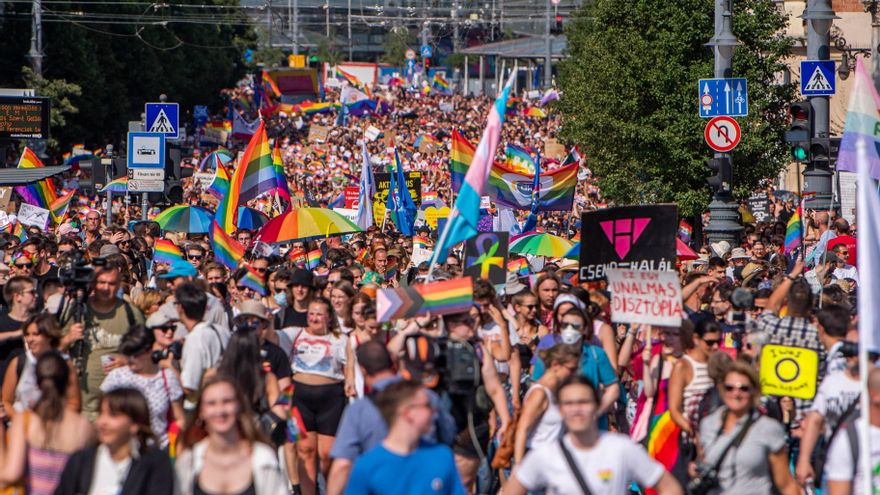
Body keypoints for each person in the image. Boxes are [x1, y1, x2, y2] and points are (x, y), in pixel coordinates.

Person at [507, 375, 683, 494]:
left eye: (583, 402)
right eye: (569, 403)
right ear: (560, 409)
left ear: (597, 405)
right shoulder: (546, 455)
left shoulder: (621, 447)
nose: (576, 409)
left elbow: (669, 487)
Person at [327, 340, 456, 495]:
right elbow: (448, 434)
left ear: (362, 370)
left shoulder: (359, 410)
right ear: (393, 362)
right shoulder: (425, 397)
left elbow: (342, 466)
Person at [696, 360, 800, 494]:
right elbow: (703, 461)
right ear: (722, 389)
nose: (736, 394)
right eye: (730, 388)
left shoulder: (768, 428)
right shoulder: (708, 424)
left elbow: (786, 484)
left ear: (754, 391)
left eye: (744, 388)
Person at [345, 380, 465, 495]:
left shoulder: (442, 456)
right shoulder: (366, 466)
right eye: (427, 405)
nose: (434, 411)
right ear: (407, 413)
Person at [0, 352, 94, 495]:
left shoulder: (25, 421)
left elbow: (10, 473)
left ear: (37, 382)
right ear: (69, 381)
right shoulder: (84, 426)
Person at [176, 376, 288, 495]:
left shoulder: (263, 459)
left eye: (227, 401)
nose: (220, 411)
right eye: (211, 403)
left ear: (239, 406)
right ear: (201, 412)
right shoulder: (189, 462)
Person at [61, 262, 145, 418]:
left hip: (120, 404)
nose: (106, 288)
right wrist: (68, 339)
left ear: (119, 285)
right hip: (83, 405)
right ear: (93, 284)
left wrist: (127, 360)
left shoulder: (130, 313)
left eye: (111, 283)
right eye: (101, 282)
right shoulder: (78, 311)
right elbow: (54, 349)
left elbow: (146, 351)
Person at [54, 387, 176, 495]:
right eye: (101, 413)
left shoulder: (155, 463)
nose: (103, 422)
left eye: (113, 415)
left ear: (134, 424)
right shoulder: (81, 460)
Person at [288, 297, 354, 495]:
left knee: (327, 455)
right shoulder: (294, 334)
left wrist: (349, 381)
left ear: (329, 317)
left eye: (319, 314)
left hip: (331, 399)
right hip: (299, 398)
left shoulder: (340, 339)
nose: (314, 318)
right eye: (311, 313)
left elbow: (348, 365)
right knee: (305, 451)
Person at [100, 325, 185, 449]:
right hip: (124, 449)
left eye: (135, 355)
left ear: (149, 350)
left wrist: (173, 447)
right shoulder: (117, 377)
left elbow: (179, 419)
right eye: (127, 355)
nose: (130, 360)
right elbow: (103, 413)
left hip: (159, 450)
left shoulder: (167, 377)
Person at [513, 344, 580, 463]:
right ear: (555, 365)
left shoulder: (556, 392)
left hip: (553, 459)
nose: (574, 374)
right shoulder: (540, 393)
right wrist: (518, 468)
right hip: (536, 458)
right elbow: (522, 429)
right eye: (571, 369)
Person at [2, 314, 80, 416]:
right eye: (27, 334)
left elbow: (74, 403)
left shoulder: (64, 363)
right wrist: (21, 421)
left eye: (36, 334)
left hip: (54, 426)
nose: (30, 339)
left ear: (49, 336)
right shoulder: (18, 362)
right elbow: (6, 401)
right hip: (23, 426)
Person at [177, 281, 231, 414]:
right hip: (224, 401)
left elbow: (189, 386)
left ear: (180, 309)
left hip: (199, 410)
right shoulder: (222, 331)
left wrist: (168, 367)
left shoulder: (195, 338)